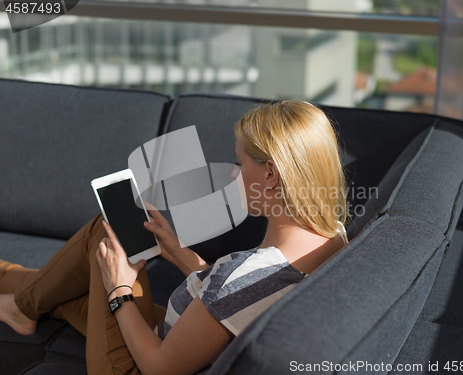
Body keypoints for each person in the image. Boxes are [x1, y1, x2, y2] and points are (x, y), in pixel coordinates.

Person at [0, 100, 349, 375]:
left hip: (138, 364)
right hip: (183, 335)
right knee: (65, 295)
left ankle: (20, 305)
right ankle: (23, 303)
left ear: (270, 173)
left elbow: (157, 367)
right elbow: (235, 299)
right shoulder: (333, 236)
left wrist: (119, 291)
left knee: (104, 235)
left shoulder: (244, 276)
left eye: (240, 162)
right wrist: (177, 251)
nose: (233, 172)